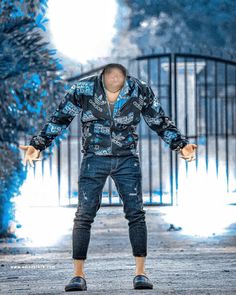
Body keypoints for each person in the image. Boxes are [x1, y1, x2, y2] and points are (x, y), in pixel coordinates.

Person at [19, 63, 197, 291]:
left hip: (127, 159)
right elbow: (60, 118)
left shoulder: (139, 89)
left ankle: (141, 273)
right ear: (102, 78)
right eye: (110, 81)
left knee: (136, 213)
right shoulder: (83, 89)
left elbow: (158, 121)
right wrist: (38, 145)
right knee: (84, 215)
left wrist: (181, 145)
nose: (114, 85)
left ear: (125, 79)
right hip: (94, 158)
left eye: (119, 82)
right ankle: (78, 276)